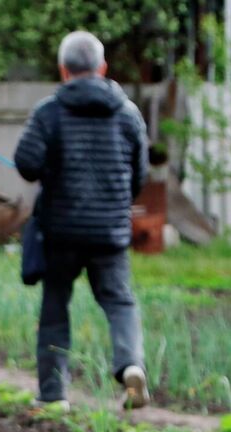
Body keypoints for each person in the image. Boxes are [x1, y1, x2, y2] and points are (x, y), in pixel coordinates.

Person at [13, 30, 151, 411]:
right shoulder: (127, 113)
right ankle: (130, 367)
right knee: (120, 302)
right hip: (110, 232)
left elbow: (25, 163)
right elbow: (139, 175)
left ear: (63, 70)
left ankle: (54, 395)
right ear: (102, 68)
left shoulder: (49, 112)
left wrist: (50, 166)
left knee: (56, 306)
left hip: (61, 232)